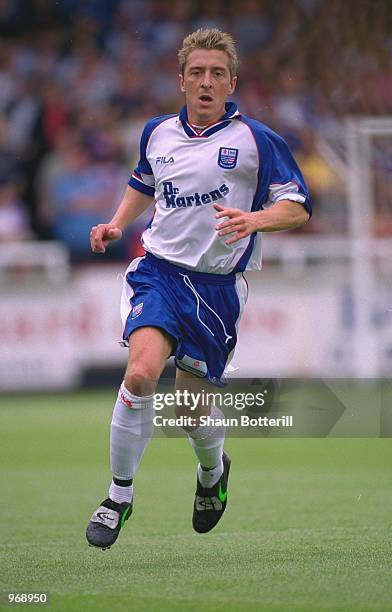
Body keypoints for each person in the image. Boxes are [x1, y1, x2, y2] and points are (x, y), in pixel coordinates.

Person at [86, 28, 311, 550]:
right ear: (181, 81)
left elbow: (297, 206)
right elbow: (144, 181)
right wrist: (118, 223)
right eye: (196, 73)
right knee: (140, 374)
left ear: (232, 82)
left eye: (216, 74)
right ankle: (118, 496)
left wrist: (255, 219)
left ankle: (213, 473)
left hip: (216, 289)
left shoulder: (258, 140)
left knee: (189, 413)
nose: (206, 83)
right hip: (159, 271)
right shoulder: (157, 131)